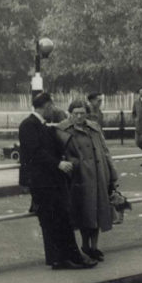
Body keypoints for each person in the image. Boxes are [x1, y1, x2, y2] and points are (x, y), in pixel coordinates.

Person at [18, 92, 95, 270]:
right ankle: (63, 258)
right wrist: (58, 163)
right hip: (42, 182)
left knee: (59, 218)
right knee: (55, 219)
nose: (53, 110)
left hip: (49, 181)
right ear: (46, 106)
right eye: (51, 106)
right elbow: (35, 153)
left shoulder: (40, 125)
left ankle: (65, 257)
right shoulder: (29, 125)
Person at [56, 99, 119, 261]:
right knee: (85, 212)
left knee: (97, 210)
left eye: (82, 113)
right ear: (70, 113)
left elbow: (105, 152)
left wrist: (112, 175)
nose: (79, 116)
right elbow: (60, 154)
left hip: (98, 175)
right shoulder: (63, 129)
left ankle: (94, 246)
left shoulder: (94, 128)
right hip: (79, 177)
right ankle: (85, 245)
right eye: (75, 113)